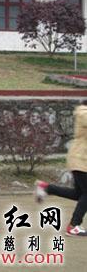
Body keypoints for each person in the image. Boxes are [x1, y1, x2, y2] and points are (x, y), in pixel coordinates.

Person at [35, 100, 87, 237]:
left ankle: (47, 188)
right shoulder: (83, 113)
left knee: (79, 194)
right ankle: (73, 226)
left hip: (80, 160)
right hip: (81, 160)